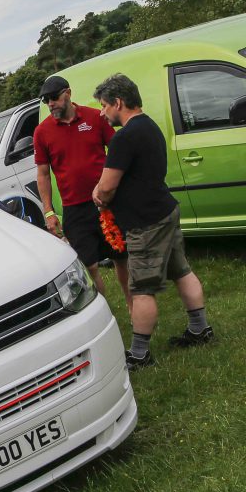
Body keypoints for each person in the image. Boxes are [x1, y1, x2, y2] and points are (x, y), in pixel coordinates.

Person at [91, 73, 213, 369]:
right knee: (181, 269)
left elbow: (106, 187)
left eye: (104, 106)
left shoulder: (125, 137)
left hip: (146, 223)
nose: (102, 113)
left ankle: (139, 354)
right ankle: (200, 328)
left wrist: (98, 194)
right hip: (165, 210)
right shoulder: (150, 125)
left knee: (141, 288)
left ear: (118, 102)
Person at [33, 75, 131, 309]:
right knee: (90, 265)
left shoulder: (95, 117)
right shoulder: (42, 132)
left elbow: (117, 151)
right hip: (74, 208)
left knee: (121, 256)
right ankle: (104, 310)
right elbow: (43, 174)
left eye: (54, 98)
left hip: (108, 201)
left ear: (68, 93)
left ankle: (131, 302)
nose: (51, 104)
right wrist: (48, 212)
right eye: (46, 100)